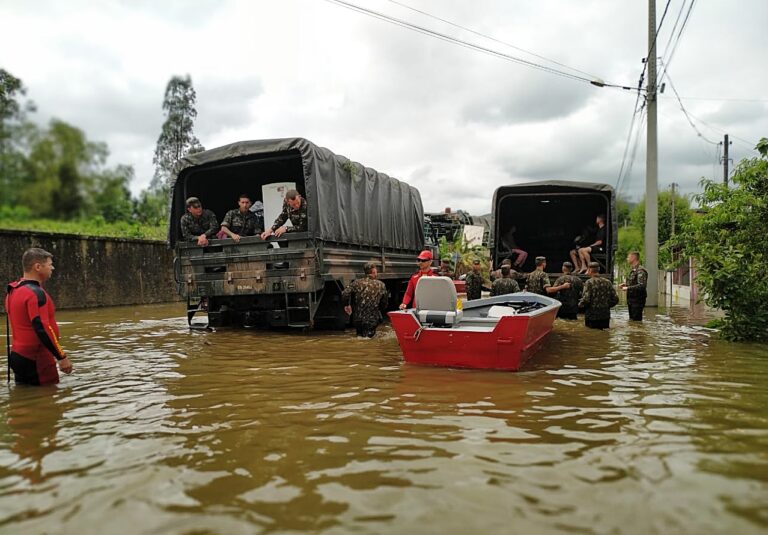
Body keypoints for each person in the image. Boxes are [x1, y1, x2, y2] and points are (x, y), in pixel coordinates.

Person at [5, 248, 73, 385]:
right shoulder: (36, 293)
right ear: (37, 267)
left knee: (25, 401)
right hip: (37, 358)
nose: (52, 268)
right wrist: (61, 357)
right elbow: (42, 327)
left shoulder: (13, 291)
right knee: (48, 401)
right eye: (49, 264)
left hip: (17, 356)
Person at [342, 262, 389, 337]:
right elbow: (384, 303)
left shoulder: (356, 282)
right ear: (373, 271)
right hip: (372, 319)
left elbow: (345, 293)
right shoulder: (381, 285)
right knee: (370, 340)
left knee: (359, 337)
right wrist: (378, 310)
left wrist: (347, 305)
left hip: (358, 319)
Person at [578, 261, 619, 329]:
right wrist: (607, 306)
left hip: (592, 316)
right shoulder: (608, 282)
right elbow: (616, 299)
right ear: (598, 269)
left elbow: (586, 299)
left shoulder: (589, 282)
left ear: (590, 270)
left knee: (591, 335)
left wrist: (579, 305)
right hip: (605, 315)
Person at [620, 251, 648, 321]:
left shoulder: (640, 271)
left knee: (636, 321)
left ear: (633, 258)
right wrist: (626, 284)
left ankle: (638, 332)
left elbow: (641, 285)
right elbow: (634, 282)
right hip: (631, 300)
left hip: (637, 300)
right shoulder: (633, 270)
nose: (627, 259)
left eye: (628, 257)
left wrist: (627, 288)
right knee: (632, 321)